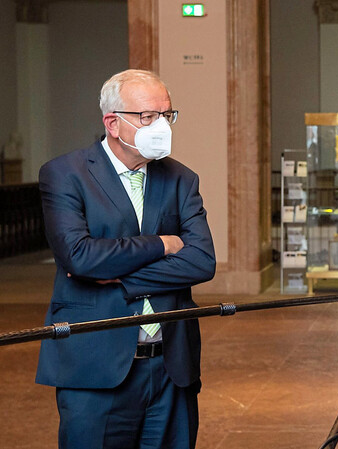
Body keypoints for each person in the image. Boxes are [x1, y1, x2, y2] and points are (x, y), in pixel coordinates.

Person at [35, 69, 216, 448]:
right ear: (113, 123)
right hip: (94, 368)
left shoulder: (182, 179)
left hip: (171, 368)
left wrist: (122, 278)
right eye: (148, 116)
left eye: (168, 115)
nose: (162, 126)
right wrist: (164, 244)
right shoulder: (65, 174)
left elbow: (202, 261)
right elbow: (81, 258)